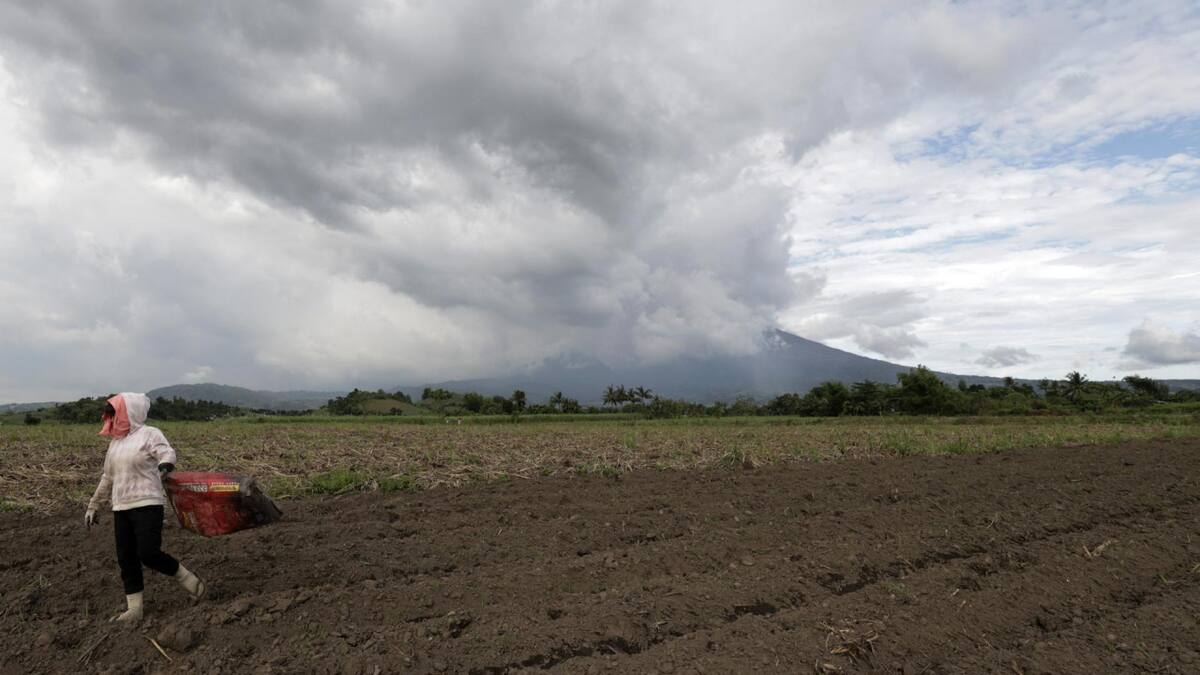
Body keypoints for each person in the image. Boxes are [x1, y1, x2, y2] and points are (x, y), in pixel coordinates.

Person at [84, 392, 206, 624]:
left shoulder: (149, 434)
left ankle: (189, 580)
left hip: (147, 503)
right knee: (126, 558)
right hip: (121, 507)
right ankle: (134, 609)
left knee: (148, 553)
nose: (110, 417)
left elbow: (166, 452)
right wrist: (93, 505)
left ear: (129, 411)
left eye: (114, 411)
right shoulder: (115, 444)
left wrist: (165, 465)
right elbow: (107, 477)